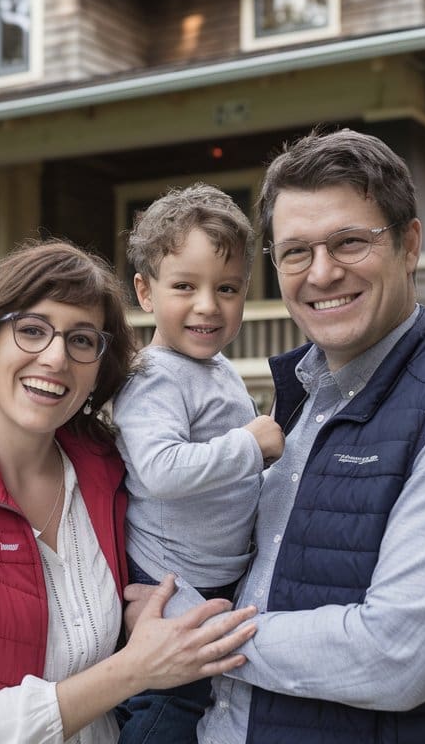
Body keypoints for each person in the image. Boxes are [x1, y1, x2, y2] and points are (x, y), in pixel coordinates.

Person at [188, 128, 425, 743]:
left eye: (350, 242)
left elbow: (396, 656)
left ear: (409, 245)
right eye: (295, 252)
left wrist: (188, 635)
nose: (323, 273)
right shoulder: (296, 409)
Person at [0, 239, 258, 744]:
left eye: (82, 340)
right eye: (31, 331)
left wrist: (133, 620)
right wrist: (135, 667)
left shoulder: (108, 473)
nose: (55, 357)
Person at [113, 185, 284, 744]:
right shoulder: (154, 375)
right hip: (170, 581)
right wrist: (249, 445)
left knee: (208, 703)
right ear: (145, 291)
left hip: (217, 574)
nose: (208, 305)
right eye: (184, 286)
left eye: (227, 288)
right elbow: (161, 470)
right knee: (169, 705)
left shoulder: (218, 370)